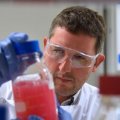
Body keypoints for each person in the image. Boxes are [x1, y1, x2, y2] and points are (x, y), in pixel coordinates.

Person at [0, 5, 106, 120]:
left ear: (96, 63)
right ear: (45, 47)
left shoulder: (106, 108)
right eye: (58, 51)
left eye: (79, 57)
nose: (64, 68)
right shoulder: (5, 92)